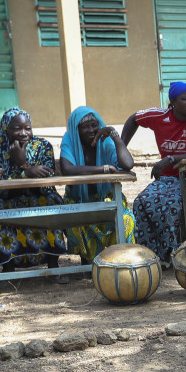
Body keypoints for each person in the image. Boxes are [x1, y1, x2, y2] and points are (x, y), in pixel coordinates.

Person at [122, 82, 186, 265]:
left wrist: (171, 159)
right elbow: (134, 118)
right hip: (167, 179)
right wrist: (122, 147)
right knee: (142, 202)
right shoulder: (159, 116)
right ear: (173, 102)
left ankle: (174, 253)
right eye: (185, 99)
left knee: (168, 204)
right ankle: (152, 255)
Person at [0, 108, 72, 283]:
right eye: (17, 129)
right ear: (5, 129)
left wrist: (23, 163)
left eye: (28, 128)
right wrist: (25, 169)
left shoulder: (43, 146)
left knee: (50, 202)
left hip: (39, 194)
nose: (24, 134)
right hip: (7, 198)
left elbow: (47, 180)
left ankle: (53, 266)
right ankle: (8, 268)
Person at [57, 106, 137, 263]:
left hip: (106, 197)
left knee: (126, 218)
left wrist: (114, 135)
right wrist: (104, 169)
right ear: (76, 129)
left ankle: (120, 258)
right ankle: (89, 261)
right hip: (78, 199)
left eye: (94, 125)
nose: (91, 130)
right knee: (74, 220)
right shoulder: (70, 139)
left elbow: (128, 163)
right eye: (85, 127)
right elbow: (67, 169)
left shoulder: (105, 140)